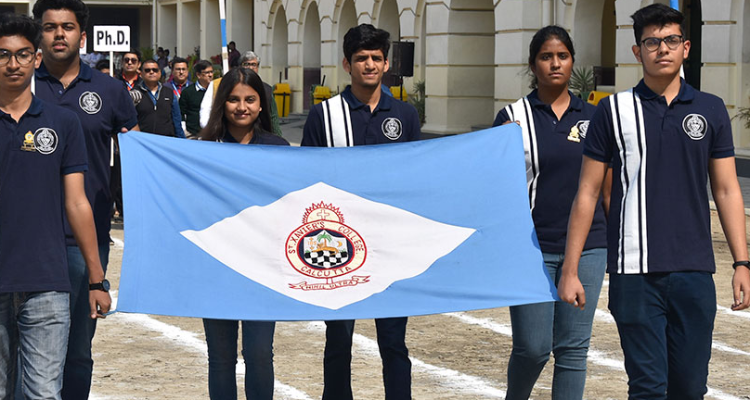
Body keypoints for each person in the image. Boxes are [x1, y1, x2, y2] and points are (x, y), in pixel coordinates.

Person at [558, 4, 750, 399]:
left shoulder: (711, 108)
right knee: (647, 388)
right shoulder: (613, 110)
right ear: (637, 51)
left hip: (694, 272)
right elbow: (588, 192)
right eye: (652, 42)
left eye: (671, 40)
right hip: (634, 273)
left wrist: (742, 263)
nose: (662, 49)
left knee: (689, 388)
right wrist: (570, 269)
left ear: (686, 47)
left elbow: (728, 190)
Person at [302, 23, 420, 400]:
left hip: (390, 246)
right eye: (361, 59)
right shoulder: (325, 115)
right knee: (338, 339)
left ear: (386, 64)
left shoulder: (405, 115)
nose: (369, 65)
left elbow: (420, 176)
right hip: (338, 246)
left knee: (394, 342)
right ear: (346, 64)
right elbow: (307, 180)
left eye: (376, 58)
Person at [492, 26, 607, 400]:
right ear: (532, 64)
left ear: (573, 61)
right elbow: (493, 187)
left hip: (589, 247)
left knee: (573, 350)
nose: (555, 64)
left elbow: (607, 189)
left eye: (562, 56)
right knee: (534, 346)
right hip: (530, 249)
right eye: (546, 56)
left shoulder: (595, 117)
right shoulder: (512, 117)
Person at [0, 12, 111, 400]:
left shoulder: (63, 123)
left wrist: (96, 280)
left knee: (44, 393)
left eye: (22, 54)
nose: (13, 63)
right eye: (3, 54)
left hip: (49, 283)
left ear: (35, 59)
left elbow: (77, 202)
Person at [32, 1, 139, 398]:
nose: (59, 34)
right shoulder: (19, 85)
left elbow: (139, 157)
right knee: (24, 345)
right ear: (38, 34)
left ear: (83, 35)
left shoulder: (111, 91)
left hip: (87, 238)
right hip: (27, 237)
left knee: (77, 349)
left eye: (68, 27)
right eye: (50, 27)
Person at [199, 67, 288, 400]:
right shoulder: (203, 149)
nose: (242, 107)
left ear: (262, 104)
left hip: (263, 269)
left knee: (260, 354)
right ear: (222, 104)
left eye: (250, 99)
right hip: (216, 266)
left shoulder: (279, 148)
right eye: (234, 99)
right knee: (221, 359)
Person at [200, 51, 283, 136]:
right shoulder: (223, 85)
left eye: (254, 64)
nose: (242, 107)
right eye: (246, 64)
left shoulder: (267, 90)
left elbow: (273, 120)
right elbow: (207, 111)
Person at [133, 59, 185, 138]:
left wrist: (182, 141)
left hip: (166, 141)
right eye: (147, 70)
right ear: (141, 74)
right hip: (143, 140)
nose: (151, 72)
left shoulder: (169, 93)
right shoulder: (134, 93)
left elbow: (176, 120)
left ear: (160, 73)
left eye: (155, 70)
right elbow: (129, 120)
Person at [180, 59, 213, 138]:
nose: (210, 75)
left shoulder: (216, 90)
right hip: (193, 134)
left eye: (211, 72)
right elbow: (181, 113)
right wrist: (184, 131)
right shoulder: (188, 92)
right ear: (198, 75)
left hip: (212, 134)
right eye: (207, 72)